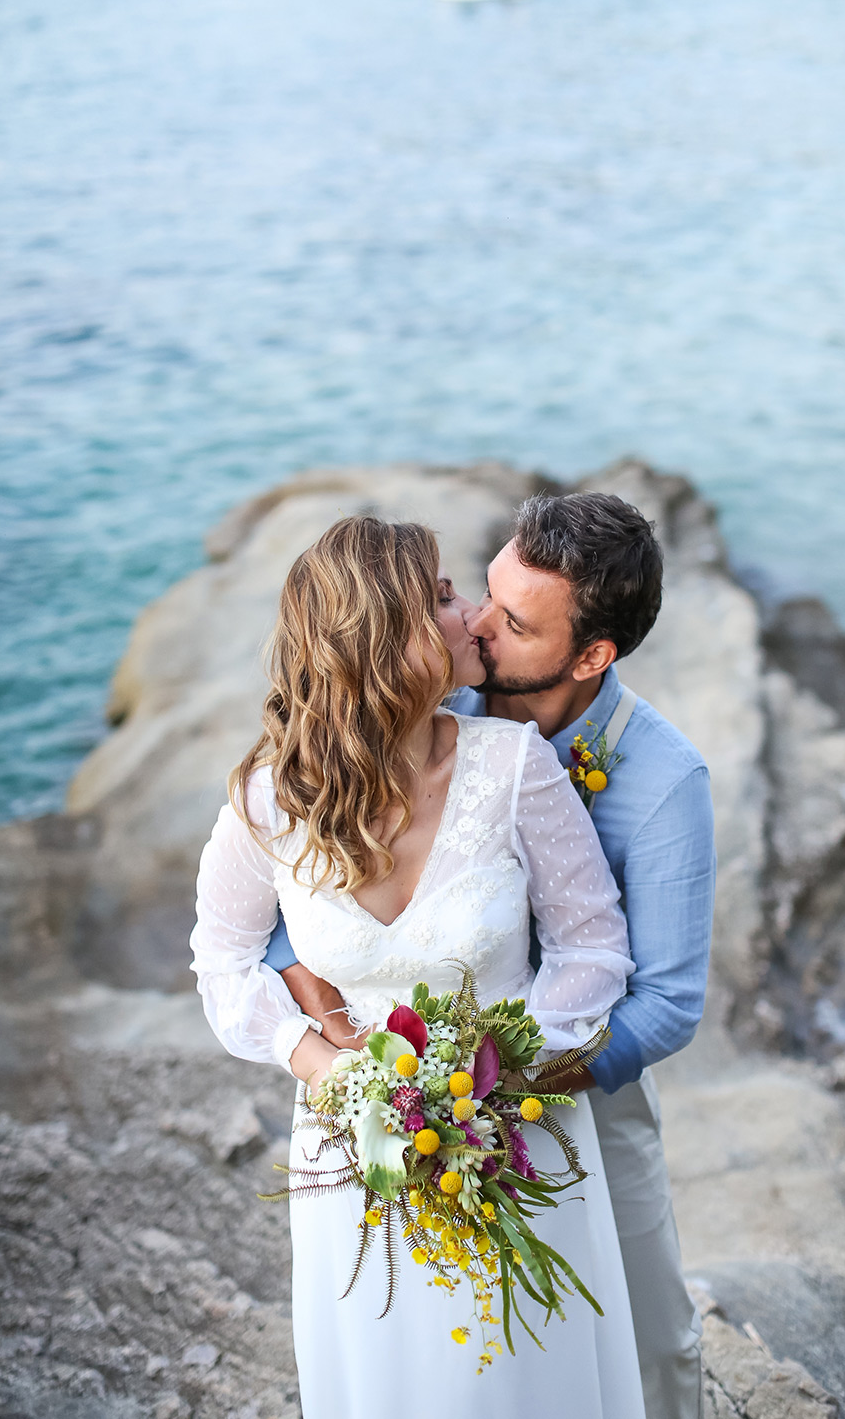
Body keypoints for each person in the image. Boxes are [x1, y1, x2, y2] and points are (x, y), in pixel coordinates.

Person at [267, 492, 716, 1419]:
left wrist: (497, 1089)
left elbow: (666, 1004)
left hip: (578, 1087)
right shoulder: (432, 696)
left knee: (642, 1330)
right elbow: (286, 902)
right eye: (481, 594)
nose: (475, 621)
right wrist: (353, 1052)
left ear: (590, 655)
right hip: (400, 1090)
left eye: (512, 621)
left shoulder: (668, 784)